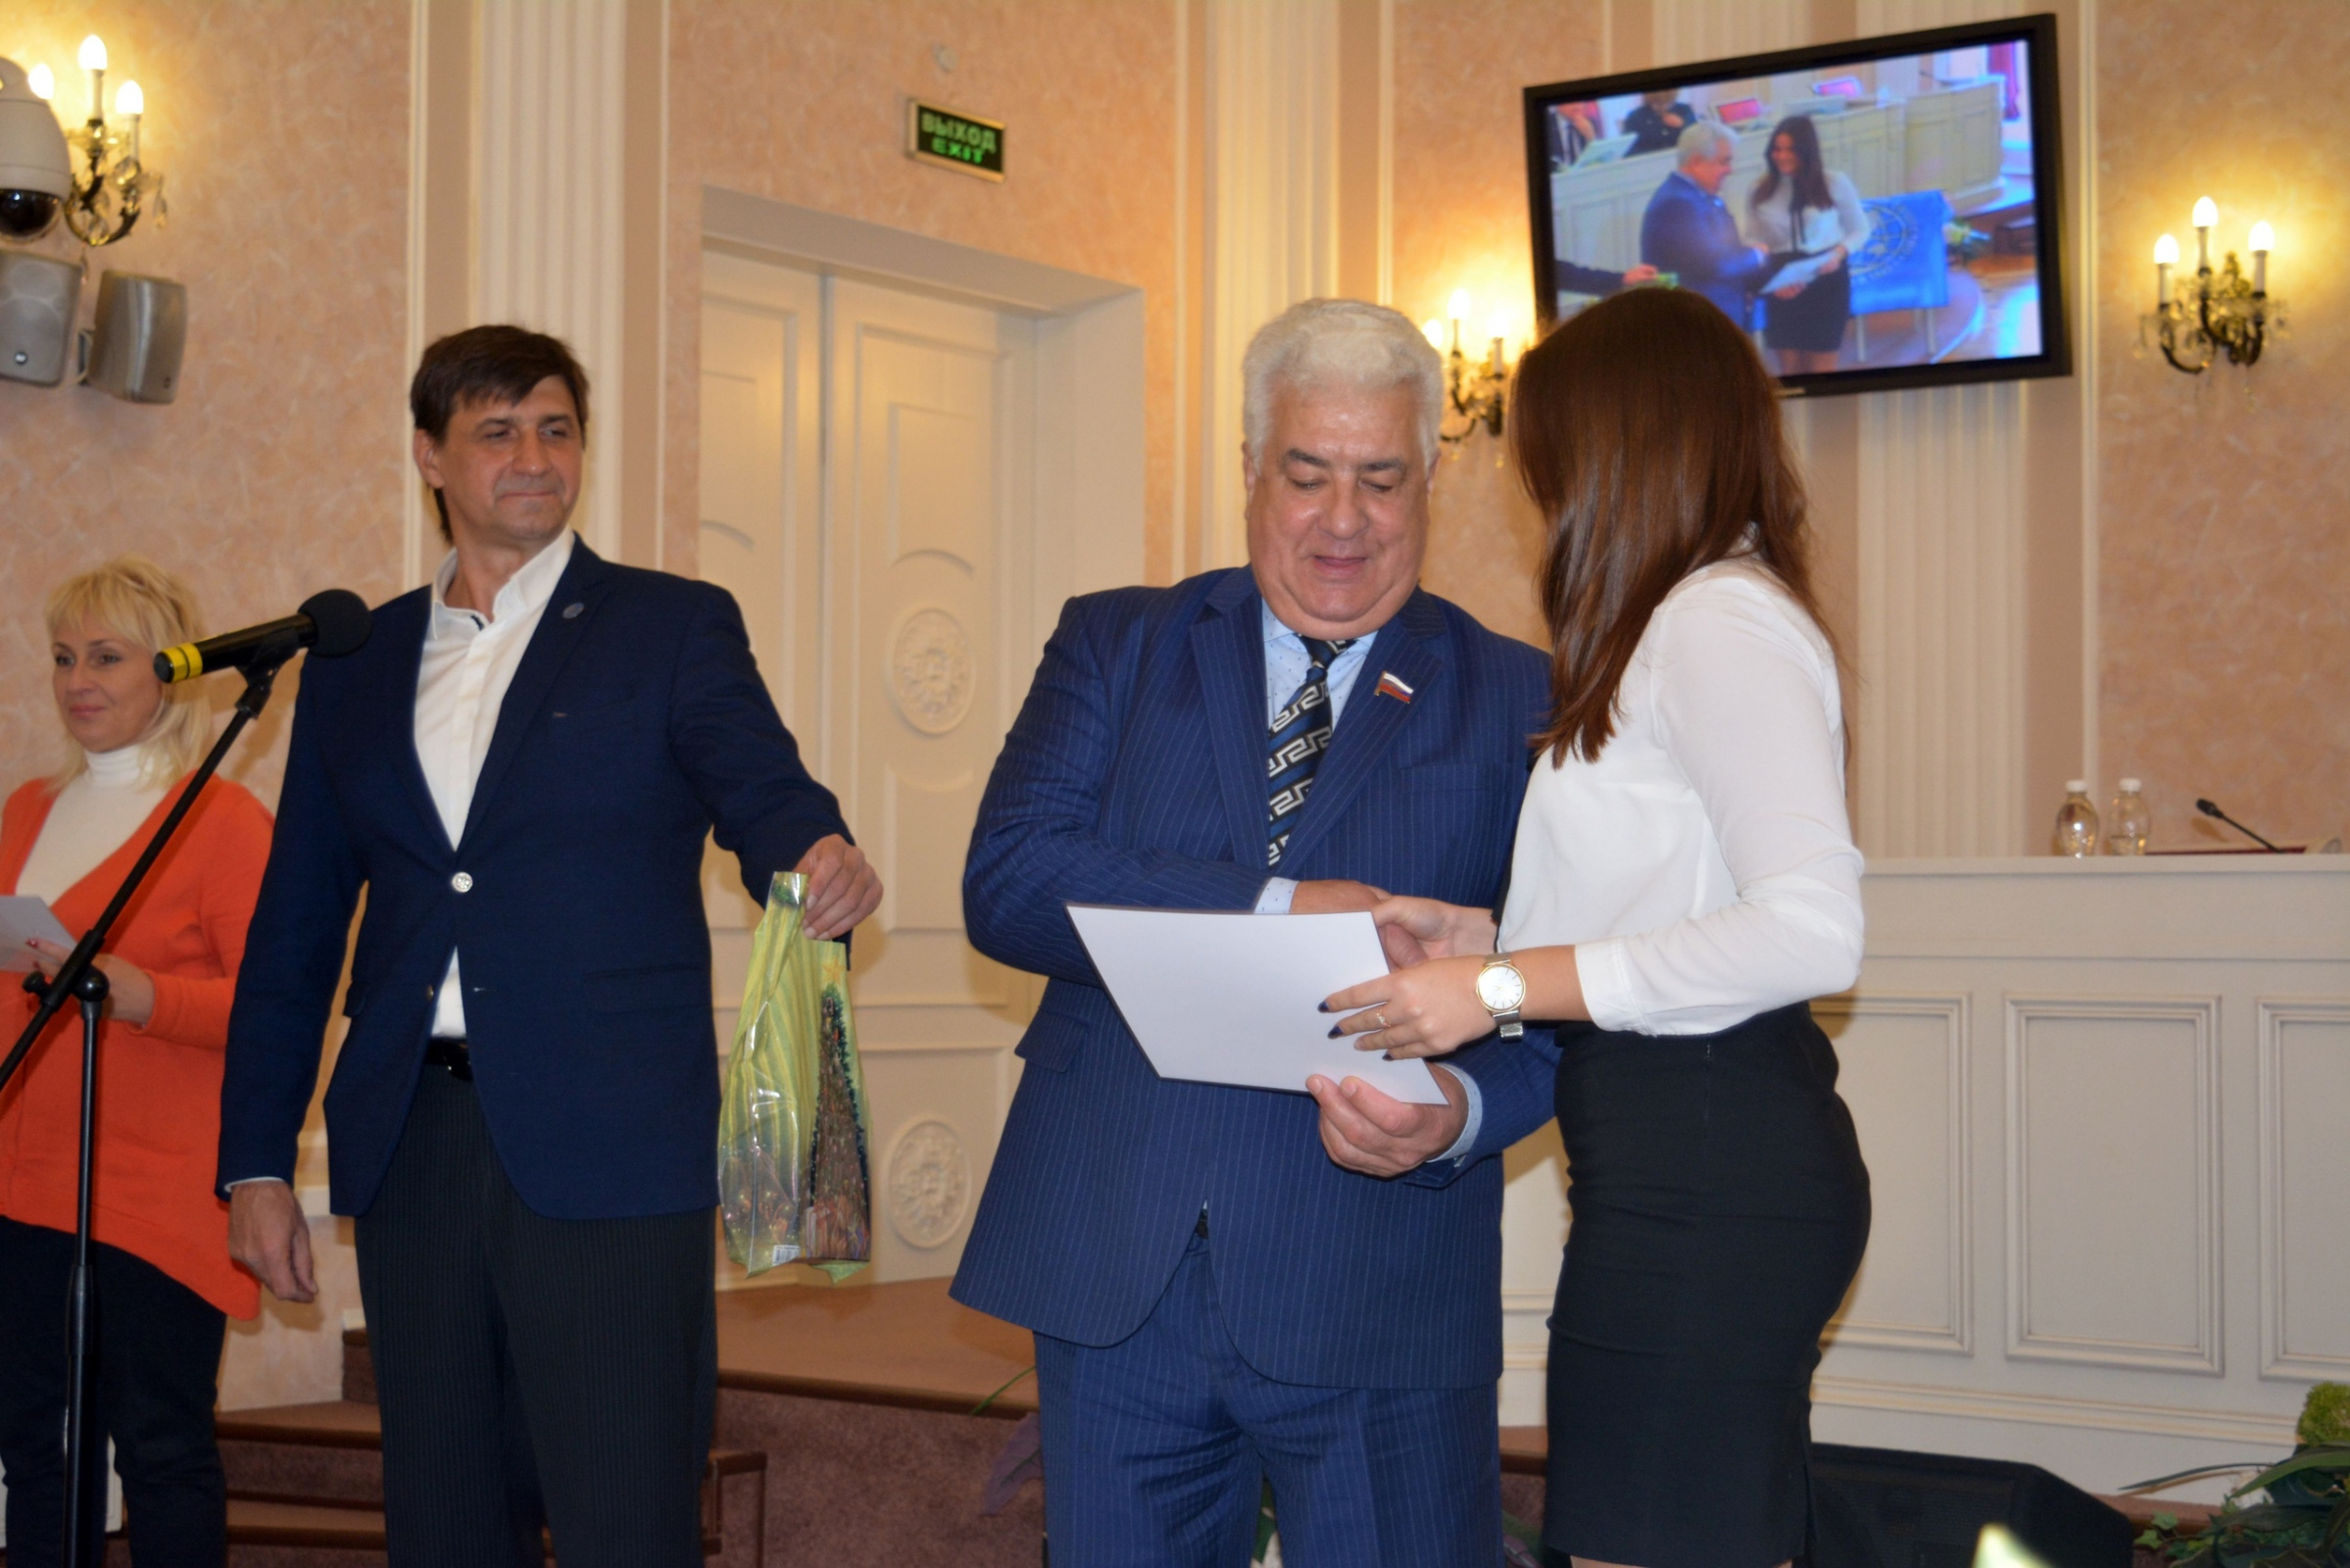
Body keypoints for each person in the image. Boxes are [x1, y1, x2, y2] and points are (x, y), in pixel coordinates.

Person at [218, 325, 880, 1568]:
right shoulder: (355, 663)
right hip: (412, 1138)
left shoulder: (667, 624)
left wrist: (813, 849)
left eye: (556, 429)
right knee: (444, 1518)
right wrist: (255, 1160)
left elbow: (762, 787)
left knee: (625, 1516)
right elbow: (294, 927)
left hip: (611, 1135)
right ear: (430, 455)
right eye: (497, 431)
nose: (534, 456)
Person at [952, 298, 1556, 1568]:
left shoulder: (1519, 695)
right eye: (1307, 473)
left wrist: (1457, 1112)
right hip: (1122, 1275)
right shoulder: (1116, 642)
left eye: (1380, 479)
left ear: (1431, 480)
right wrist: (1281, 905)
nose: (1343, 520)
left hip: (1379, 1284)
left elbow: (1558, 987)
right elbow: (1008, 878)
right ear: (1247, 469)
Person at [1324, 287, 1872, 1568]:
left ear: (1620, 451)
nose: (1549, 499)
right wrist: (1476, 937)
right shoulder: (1685, 618)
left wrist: (1497, 986)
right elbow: (1668, 895)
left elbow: (1809, 932)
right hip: (1679, 1162)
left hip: (1709, 1167)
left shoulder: (1713, 618)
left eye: (1557, 464)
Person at [1, 558, 274, 1565]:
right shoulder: (25, 811)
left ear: (169, 671)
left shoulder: (224, 821)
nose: (78, 680)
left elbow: (274, 1009)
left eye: (107, 657)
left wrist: (145, 995)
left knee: (160, 1447)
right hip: (22, 1187)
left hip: (156, 1193)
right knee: (32, 1449)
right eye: (63, 656)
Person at [1746, 115, 1872, 375]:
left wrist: (1838, 254)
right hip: (1782, 281)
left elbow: (1860, 229)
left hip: (1826, 278)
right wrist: (1768, 278)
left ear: (1807, 150)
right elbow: (1751, 239)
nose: (1782, 156)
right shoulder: (1759, 189)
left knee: (1822, 368)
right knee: (1789, 369)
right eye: (1777, 149)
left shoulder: (1834, 182)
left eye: (1791, 149)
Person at [1640, 122, 1772, 328]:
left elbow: (1724, 250)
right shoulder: (1677, 203)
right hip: (1698, 323)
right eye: (1724, 161)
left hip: (1715, 316)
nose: (1730, 170)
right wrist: (1756, 255)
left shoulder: (1697, 195)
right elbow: (1712, 264)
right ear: (1696, 162)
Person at [1621, 88, 1698, 156]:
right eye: (1657, 104)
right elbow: (1627, 150)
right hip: (1648, 163)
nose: (1663, 107)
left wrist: (1682, 125)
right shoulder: (1636, 116)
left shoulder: (1684, 110)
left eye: (1668, 103)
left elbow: (1698, 139)